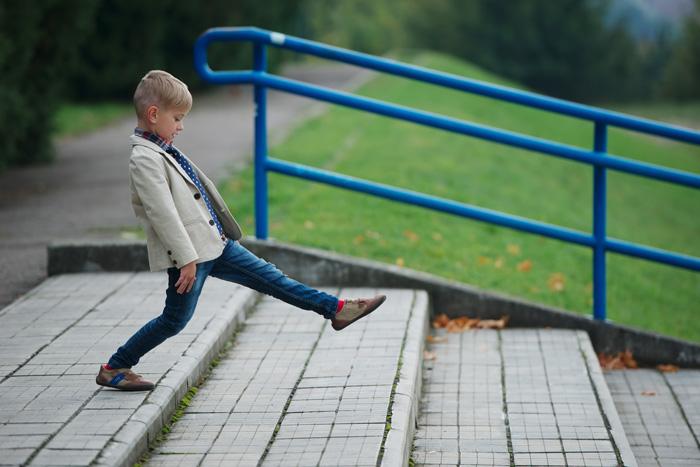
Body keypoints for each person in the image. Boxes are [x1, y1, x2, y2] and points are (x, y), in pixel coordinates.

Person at [96, 70, 386, 391]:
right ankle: (115, 366)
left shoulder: (161, 148)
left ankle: (337, 310)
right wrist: (186, 259)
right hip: (191, 257)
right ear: (153, 114)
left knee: (273, 278)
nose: (181, 126)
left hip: (216, 245)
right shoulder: (145, 158)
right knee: (173, 321)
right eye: (177, 118)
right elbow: (162, 213)